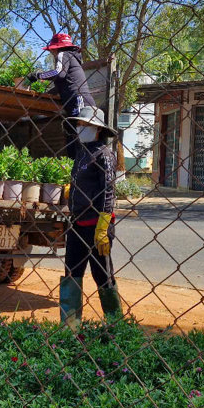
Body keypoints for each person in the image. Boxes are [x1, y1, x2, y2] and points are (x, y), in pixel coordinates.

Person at [60, 105, 123, 328]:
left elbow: (108, 191)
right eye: (78, 124)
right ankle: (70, 327)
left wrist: (103, 226)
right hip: (77, 224)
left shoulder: (104, 154)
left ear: (96, 129)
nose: (79, 128)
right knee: (71, 273)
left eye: (83, 124)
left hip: (97, 226)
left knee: (102, 274)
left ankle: (115, 325)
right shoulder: (82, 153)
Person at [26, 33, 97, 157]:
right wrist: (45, 94)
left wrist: (37, 75)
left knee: (80, 136)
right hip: (79, 100)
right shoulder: (72, 58)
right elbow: (63, 82)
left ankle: (82, 166)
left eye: (52, 49)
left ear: (56, 47)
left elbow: (59, 73)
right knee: (74, 134)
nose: (51, 52)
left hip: (78, 99)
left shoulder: (63, 54)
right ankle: (77, 167)